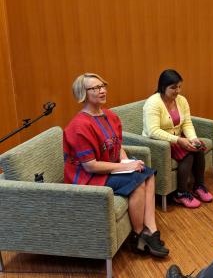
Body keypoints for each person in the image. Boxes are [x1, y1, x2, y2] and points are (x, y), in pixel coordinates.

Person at [64, 73, 169, 257]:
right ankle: (137, 236)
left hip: (108, 169)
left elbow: (117, 146)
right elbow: (90, 166)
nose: (102, 90)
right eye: (95, 88)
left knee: (147, 173)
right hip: (89, 178)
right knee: (137, 181)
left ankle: (150, 230)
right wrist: (126, 168)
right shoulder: (78, 126)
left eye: (103, 85)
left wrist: (128, 162)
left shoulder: (110, 116)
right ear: (83, 93)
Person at [143, 69, 213, 209]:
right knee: (187, 155)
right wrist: (179, 140)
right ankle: (180, 193)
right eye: (173, 87)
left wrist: (193, 138)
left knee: (198, 148)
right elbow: (153, 130)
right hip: (157, 141)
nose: (178, 91)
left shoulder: (181, 100)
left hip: (175, 137)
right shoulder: (153, 103)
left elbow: (186, 123)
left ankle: (199, 186)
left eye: (179, 86)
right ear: (163, 87)